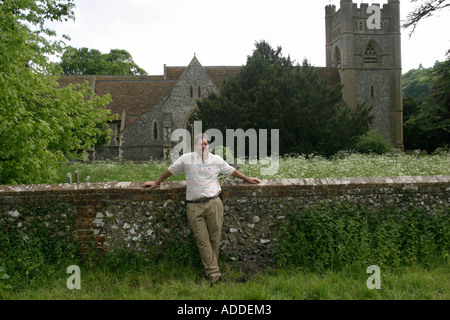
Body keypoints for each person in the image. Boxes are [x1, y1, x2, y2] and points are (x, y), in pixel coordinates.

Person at [142, 133, 261, 283]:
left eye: (206, 144)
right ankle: (214, 272)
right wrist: (156, 182)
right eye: (200, 144)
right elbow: (170, 171)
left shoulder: (216, 160)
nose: (203, 146)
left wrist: (247, 179)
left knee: (215, 238)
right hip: (194, 206)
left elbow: (231, 171)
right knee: (202, 240)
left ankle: (212, 271)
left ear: (208, 145)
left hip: (214, 203)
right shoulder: (186, 159)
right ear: (195, 146)